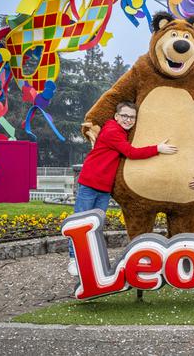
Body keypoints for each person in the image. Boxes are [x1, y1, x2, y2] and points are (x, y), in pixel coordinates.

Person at [67, 101, 177, 276]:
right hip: (90, 182)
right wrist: (158, 148)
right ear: (116, 116)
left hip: (104, 187)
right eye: (124, 116)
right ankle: (73, 259)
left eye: (132, 117)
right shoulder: (113, 131)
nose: (128, 120)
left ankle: (87, 259)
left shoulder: (121, 131)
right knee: (80, 222)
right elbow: (131, 153)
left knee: (95, 224)